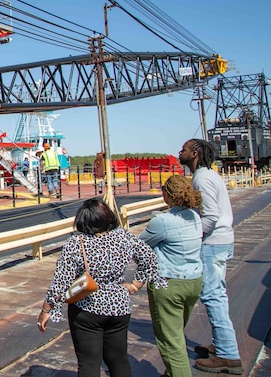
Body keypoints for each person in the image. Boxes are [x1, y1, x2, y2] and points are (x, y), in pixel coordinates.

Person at [37, 198, 166, 377]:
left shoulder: (76, 243)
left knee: (89, 362)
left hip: (87, 308)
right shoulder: (124, 237)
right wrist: (136, 285)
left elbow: (61, 281)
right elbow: (149, 258)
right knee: (118, 360)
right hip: (119, 307)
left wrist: (46, 309)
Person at [178, 139, 243, 374]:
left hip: (213, 243)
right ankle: (222, 344)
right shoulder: (208, 174)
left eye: (184, 149)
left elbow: (211, 216)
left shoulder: (202, 179)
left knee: (213, 296)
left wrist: (192, 236)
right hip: (222, 241)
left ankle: (228, 356)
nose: (180, 152)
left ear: (195, 153)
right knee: (217, 294)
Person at [139, 175, 203, 377]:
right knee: (176, 333)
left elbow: (140, 246)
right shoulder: (195, 216)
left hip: (169, 283)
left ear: (168, 195)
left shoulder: (162, 221)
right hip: (193, 281)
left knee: (171, 342)